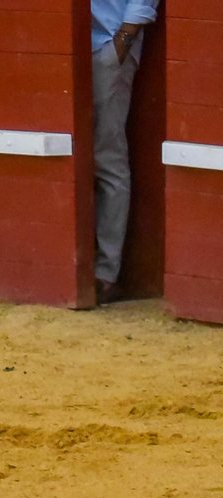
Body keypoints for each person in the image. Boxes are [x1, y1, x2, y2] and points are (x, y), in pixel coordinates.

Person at [92, 0, 162, 303]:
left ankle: (105, 273)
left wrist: (123, 40)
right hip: (69, 44)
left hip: (107, 44)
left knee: (106, 157)